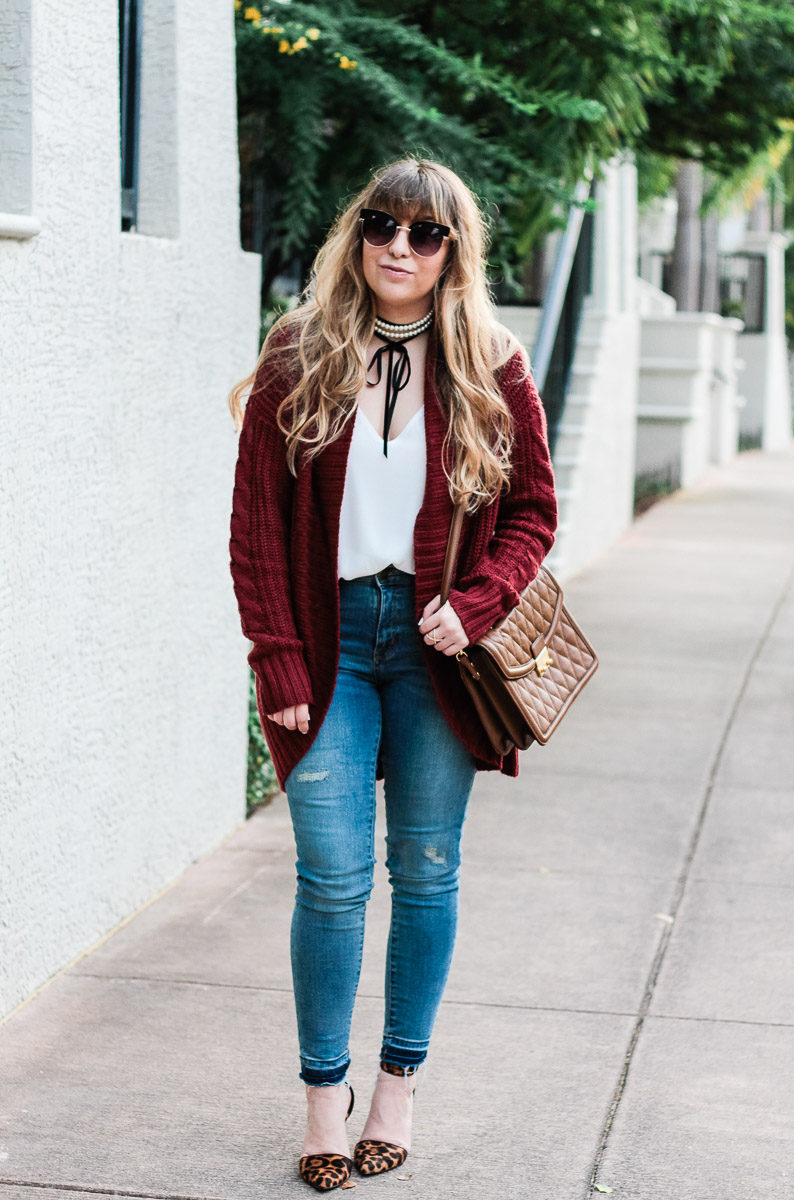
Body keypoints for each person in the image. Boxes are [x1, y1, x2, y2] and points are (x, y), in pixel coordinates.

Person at [228, 157, 558, 1191]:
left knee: (422, 869)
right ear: (355, 234)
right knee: (329, 876)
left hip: (434, 652)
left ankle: (395, 1088)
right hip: (328, 646)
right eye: (381, 225)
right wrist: (276, 653)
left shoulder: (490, 364)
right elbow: (253, 529)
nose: (398, 248)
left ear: (454, 250)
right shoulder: (298, 353)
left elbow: (531, 514)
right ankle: (322, 1100)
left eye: (424, 233)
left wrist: (474, 602)